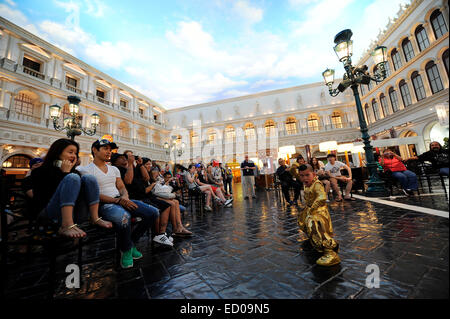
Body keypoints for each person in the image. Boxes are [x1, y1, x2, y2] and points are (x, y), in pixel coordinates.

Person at [77, 138, 159, 269]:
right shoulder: (85, 170)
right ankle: (126, 250)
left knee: (153, 212)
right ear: (94, 150)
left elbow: (121, 187)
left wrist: (124, 198)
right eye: (105, 149)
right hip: (104, 204)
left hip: (121, 199)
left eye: (110, 149)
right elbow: (92, 195)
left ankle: (131, 243)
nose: (109, 152)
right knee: (124, 217)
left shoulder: (114, 169)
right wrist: (118, 200)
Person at [32, 138, 112, 238]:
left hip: (76, 214)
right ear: (57, 152)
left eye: (75, 153)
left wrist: (68, 173)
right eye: (70, 152)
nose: (74, 156)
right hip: (50, 215)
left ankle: (95, 218)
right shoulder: (40, 171)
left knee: (89, 178)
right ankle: (66, 225)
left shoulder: (75, 173)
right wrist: (65, 174)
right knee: (72, 178)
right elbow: (44, 198)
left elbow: (78, 196)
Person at [110, 153, 176, 246]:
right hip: (135, 198)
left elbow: (146, 178)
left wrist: (140, 164)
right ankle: (137, 241)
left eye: (127, 157)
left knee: (166, 206)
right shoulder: (118, 170)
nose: (125, 159)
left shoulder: (132, 168)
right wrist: (130, 163)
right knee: (155, 210)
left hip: (140, 197)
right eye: (122, 158)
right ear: (115, 161)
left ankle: (161, 233)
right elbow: (128, 181)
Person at [297, 164, 340, 266]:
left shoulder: (317, 184)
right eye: (302, 176)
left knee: (314, 224)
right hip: (310, 210)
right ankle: (315, 241)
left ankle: (330, 252)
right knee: (303, 221)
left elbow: (321, 197)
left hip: (319, 211)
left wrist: (312, 208)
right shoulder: (307, 184)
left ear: (314, 174)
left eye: (307, 175)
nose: (304, 178)